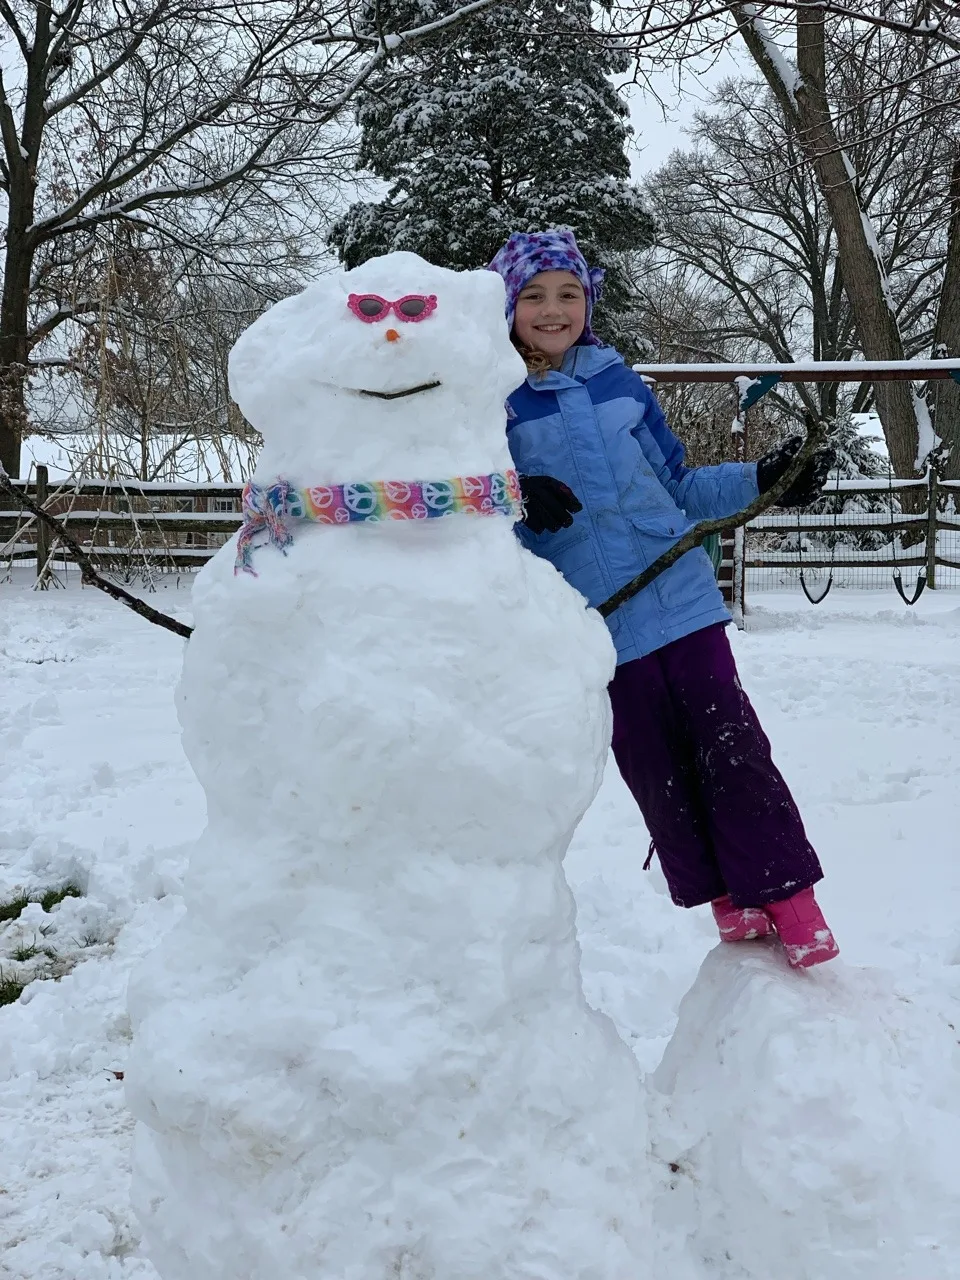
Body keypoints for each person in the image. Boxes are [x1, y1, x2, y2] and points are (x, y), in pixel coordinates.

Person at [488, 228, 839, 968]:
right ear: (506, 306)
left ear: (589, 299)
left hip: (679, 597)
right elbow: (470, 515)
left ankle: (791, 897)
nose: (553, 310)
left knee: (733, 746)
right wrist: (510, 497)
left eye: (569, 294)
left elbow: (679, 485)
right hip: (597, 622)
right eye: (534, 296)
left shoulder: (618, 380)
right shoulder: (490, 400)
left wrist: (767, 478)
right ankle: (728, 901)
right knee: (656, 767)